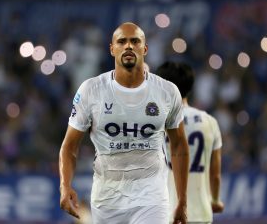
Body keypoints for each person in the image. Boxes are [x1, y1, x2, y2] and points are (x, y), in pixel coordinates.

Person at [59, 22, 190, 224]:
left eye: (135, 41)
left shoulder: (167, 91)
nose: (128, 46)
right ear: (112, 49)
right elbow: (69, 146)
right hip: (107, 200)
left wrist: (182, 200)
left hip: (151, 198)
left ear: (144, 48)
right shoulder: (91, 90)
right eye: (122, 41)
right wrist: (65, 185)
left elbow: (179, 145)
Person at [156, 62, 224, 223]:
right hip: (201, 212)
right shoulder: (209, 122)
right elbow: (215, 174)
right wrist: (215, 200)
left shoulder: (157, 121)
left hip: (167, 213)